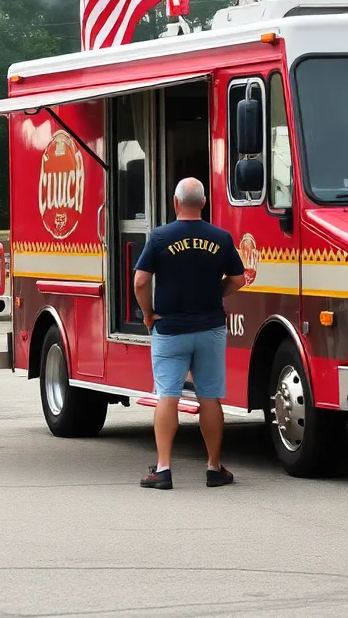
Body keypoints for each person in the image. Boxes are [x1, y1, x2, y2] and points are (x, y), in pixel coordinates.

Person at [135, 177, 246, 490]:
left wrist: (147, 314)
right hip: (210, 328)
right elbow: (238, 279)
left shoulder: (159, 237)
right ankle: (213, 467)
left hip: (170, 329)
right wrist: (216, 294)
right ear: (204, 204)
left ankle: (163, 469)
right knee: (209, 397)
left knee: (167, 395)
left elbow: (141, 281)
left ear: (175, 203)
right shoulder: (221, 237)